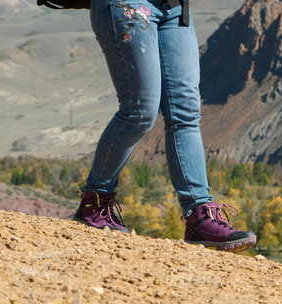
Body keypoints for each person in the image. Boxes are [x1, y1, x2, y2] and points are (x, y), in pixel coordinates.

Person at [74, 0, 256, 252]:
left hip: (175, 9)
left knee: (186, 113)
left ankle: (199, 216)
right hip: (128, 4)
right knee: (139, 110)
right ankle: (95, 201)